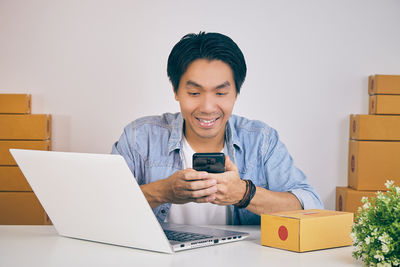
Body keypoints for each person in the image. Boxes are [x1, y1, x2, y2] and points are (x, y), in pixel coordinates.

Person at [112, 32, 323, 225]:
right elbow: (104, 205)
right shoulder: (139, 137)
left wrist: (244, 194)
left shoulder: (261, 140)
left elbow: (312, 207)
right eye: (194, 93)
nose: (207, 108)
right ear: (176, 91)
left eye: (220, 94)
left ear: (236, 93)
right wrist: (163, 191)